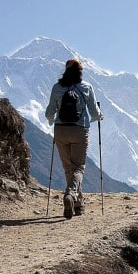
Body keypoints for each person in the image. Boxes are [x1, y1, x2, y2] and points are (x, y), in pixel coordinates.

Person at [45, 58, 103, 219]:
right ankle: (70, 195)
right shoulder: (86, 87)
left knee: (68, 168)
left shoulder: (57, 88)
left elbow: (49, 112)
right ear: (80, 72)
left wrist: (52, 120)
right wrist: (99, 116)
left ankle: (78, 204)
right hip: (79, 131)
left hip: (60, 131)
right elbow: (94, 111)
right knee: (78, 167)